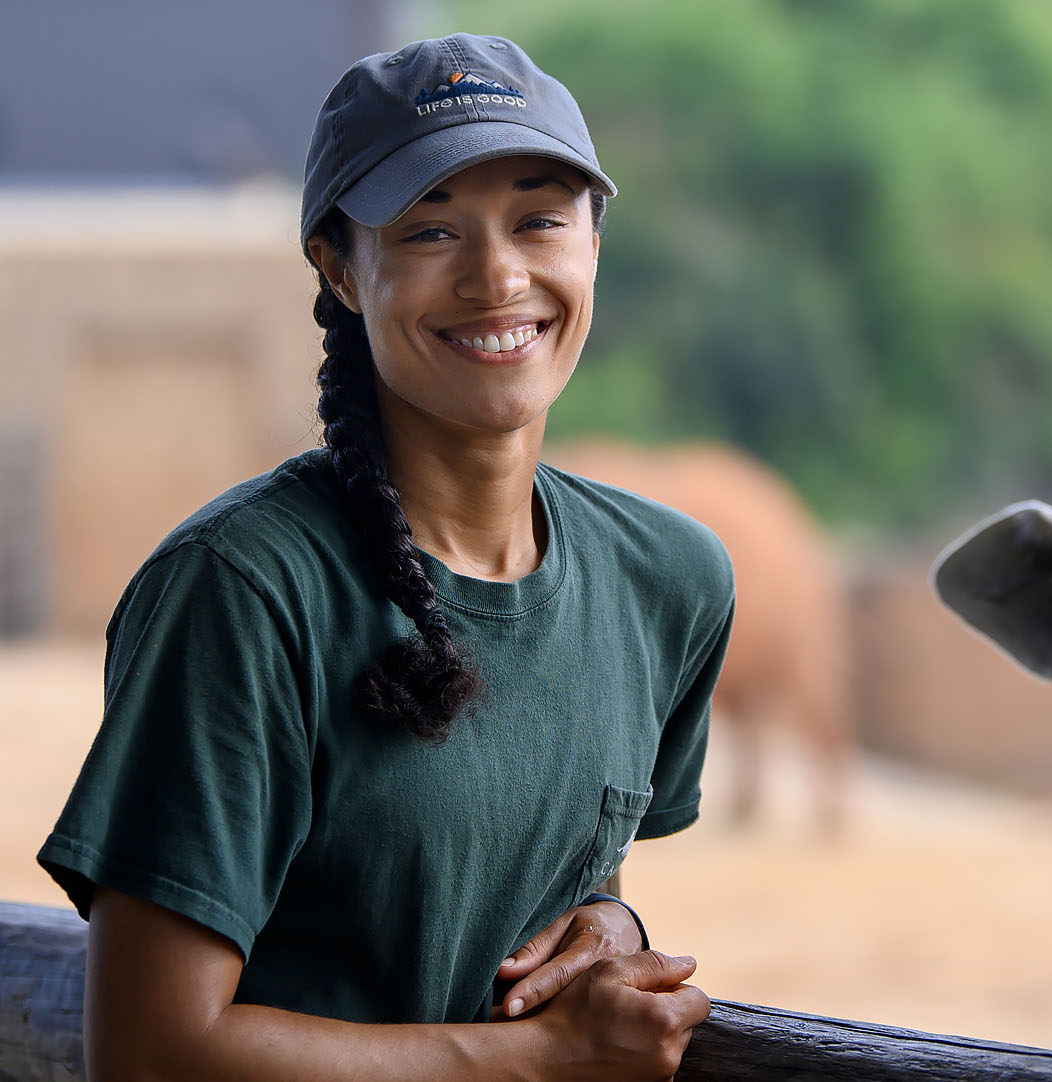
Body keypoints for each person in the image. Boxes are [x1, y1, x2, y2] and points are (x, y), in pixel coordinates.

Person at [36, 33, 731, 1081]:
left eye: (539, 219)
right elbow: (148, 1051)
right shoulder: (244, 589)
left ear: (594, 238)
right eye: (429, 231)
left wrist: (610, 924)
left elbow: (532, 886)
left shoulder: (667, 577)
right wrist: (538, 1058)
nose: (497, 276)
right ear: (339, 269)